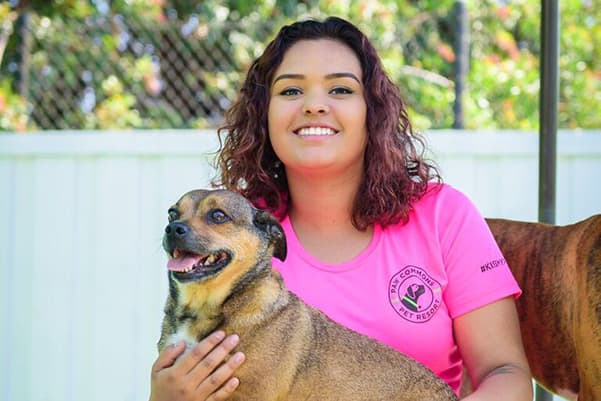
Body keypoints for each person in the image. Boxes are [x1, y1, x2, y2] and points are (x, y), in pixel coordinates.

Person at [149, 16, 532, 401]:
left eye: (340, 89)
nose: (315, 105)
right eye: (291, 91)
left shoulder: (442, 216)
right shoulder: (236, 235)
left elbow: (507, 374)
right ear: (264, 114)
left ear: (373, 111)